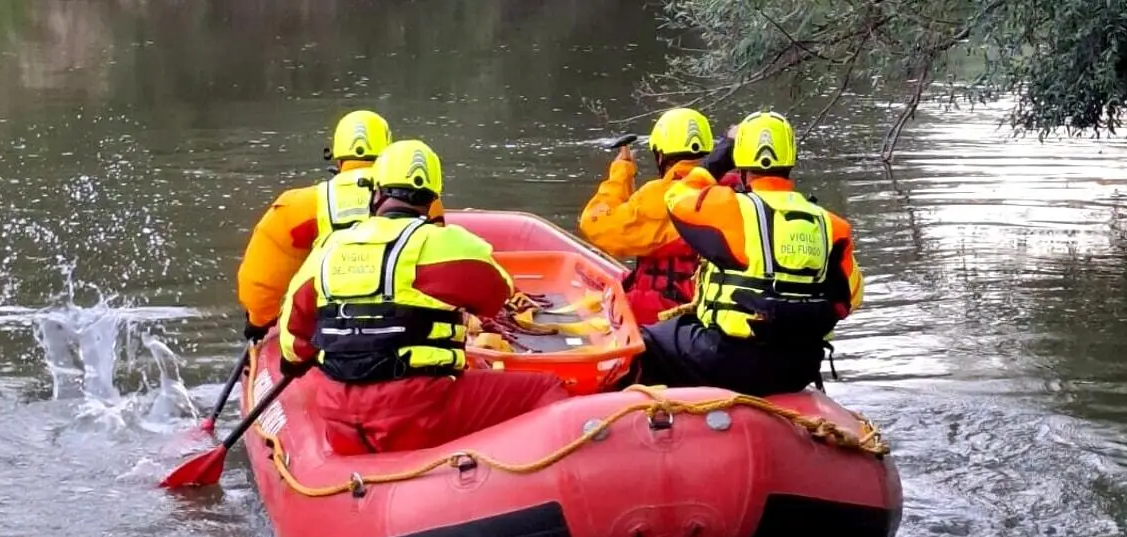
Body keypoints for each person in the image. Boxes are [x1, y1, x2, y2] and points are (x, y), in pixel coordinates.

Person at [277, 139, 568, 454]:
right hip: (417, 415)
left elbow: (292, 342)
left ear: (376, 193)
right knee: (546, 389)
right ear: (432, 200)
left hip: (341, 421)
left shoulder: (327, 249)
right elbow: (497, 295)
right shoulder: (449, 244)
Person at [619, 110, 864, 397]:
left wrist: (722, 152)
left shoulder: (732, 210)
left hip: (731, 361)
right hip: (800, 367)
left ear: (741, 162)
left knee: (645, 341)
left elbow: (676, 196)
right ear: (790, 159)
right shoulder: (832, 225)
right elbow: (853, 297)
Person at [236, 109, 447, 340]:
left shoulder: (297, 207)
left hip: (327, 327)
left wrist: (259, 322)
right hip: (399, 324)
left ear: (336, 156)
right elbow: (436, 268)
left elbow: (262, 281)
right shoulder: (424, 203)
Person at [579, 107, 734, 327]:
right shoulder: (732, 189)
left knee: (602, 306)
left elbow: (596, 224)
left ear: (660, 155)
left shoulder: (659, 196)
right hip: (713, 309)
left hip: (663, 312)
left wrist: (621, 172)